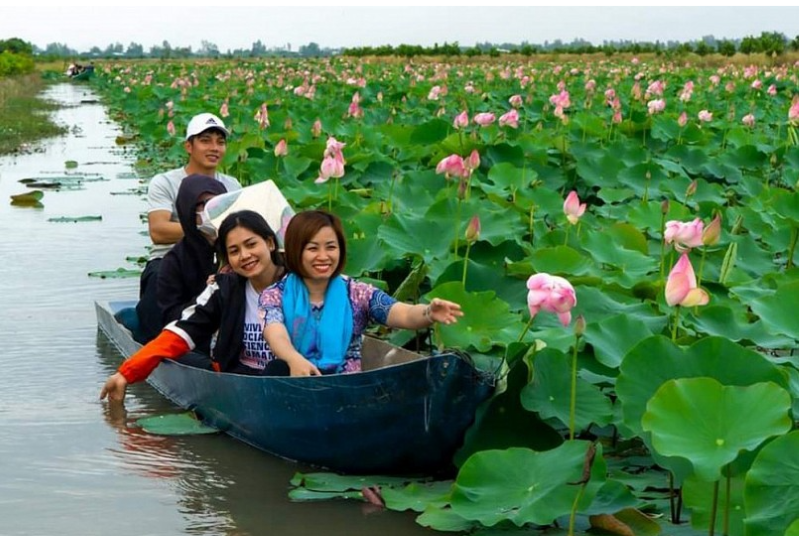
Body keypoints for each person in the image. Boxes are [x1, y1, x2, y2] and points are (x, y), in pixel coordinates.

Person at [101, 210, 286, 403]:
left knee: (279, 367)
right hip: (240, 381)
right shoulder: (224, 288)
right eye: (234, 251)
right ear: (227, 258)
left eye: (251, 244)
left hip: (291, 377)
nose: (245, 255)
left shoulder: (297, 284)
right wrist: (126, 374)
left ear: (270, 243)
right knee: (172, 355)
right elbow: (181, 332)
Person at [260, 210, 463, 377]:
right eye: (313, 248)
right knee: (276, 369)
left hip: (347, 390)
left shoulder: (356, 293)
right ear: (296, 251)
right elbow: (275, 333)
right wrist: (294, 359)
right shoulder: (275, 295)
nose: (323, 256)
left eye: (331, 247)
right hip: (293, 385)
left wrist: (428, 312)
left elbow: (400, 313)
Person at [135, 113, 241, 343]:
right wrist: (205, 227)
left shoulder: (232, 185)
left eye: (220, 142)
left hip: (218, 260)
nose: (214, 148)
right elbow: (159, 231)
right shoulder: (165, 182)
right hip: (171, 261)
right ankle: (155, 344)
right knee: (157, 277)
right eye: (205, 140)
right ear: (188, 146)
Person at [157, 174, 227, 336]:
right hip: (195, 337)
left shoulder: (237, 247)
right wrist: (206, 296)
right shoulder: (173, 262)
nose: (209, 210)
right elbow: (169, 318)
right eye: (201, 205)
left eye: (214, 203)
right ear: (188, 211)